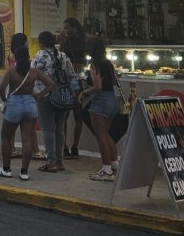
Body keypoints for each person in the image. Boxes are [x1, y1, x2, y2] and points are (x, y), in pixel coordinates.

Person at [0, 45, 55, 181]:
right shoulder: (34, 72)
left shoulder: (11, 71)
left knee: (6, 137)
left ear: (15, 58)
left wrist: (5, 99)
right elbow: (51, 84)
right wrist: (39, 95)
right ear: (28, 57)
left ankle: (6, 169)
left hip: (14, 105)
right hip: (30, 104)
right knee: (27, 139)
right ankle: (24, 172)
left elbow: (1, 88)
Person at [32, 30, 75, 173]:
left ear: (41, 43)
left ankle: (51, 162)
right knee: (59, 129)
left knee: (48, 129)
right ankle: (60, 161)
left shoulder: (40, 55)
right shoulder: (63, 56)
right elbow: (71, 75)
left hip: (44, 95)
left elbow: (33, 73)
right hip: (61, 97)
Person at [80, 36, 120, 181]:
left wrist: (84, 92)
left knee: (101, 136)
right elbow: (115, 81)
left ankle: (106, 169)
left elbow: (97, 87)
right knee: (107, 134)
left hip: (100, 101)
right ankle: (114, 163)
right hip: (112, 100)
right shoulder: (108, 63)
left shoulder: (94, 65)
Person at [59, 18, 88, 159]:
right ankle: (70, 147)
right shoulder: (78, 41)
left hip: (72, 79)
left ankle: (70, 147)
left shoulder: (81, 41)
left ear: (74, 27)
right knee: (74, 115)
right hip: (74, 78)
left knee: (71, 115)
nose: (64, 30)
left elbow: (61, 58)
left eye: (67, 27)